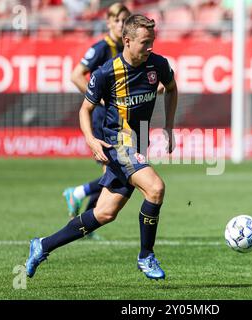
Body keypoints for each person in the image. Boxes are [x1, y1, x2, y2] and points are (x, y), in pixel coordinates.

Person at [26, 14, 178, 280]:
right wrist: (90, 139)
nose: (150, 47)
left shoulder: (158, 64)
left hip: (139, 143)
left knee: (105, 213)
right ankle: (146, 256)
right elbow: (85, 110)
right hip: (117, 143)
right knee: (155, 189)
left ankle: (43, 245)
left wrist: (169, 126)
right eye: (145, 42)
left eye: (152, 41)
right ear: (127, 41)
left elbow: (172, 88)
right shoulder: (107, 72)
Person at [63, 2, 130, 228]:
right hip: (102, 117)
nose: (122, 25)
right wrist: (101, 99)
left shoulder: (125, 48)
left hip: (116, 119)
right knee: (113, 170)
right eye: (118, 20)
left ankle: (87, 223)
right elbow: (76, 75)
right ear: (109, 22)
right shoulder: (102, 47)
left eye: (125, 21)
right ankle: (78, 192)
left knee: (113, 171)